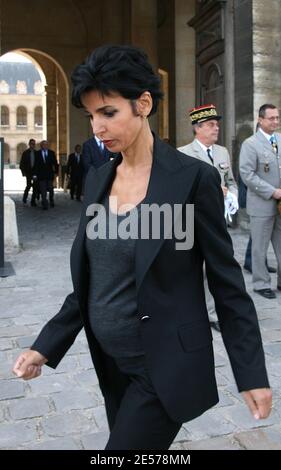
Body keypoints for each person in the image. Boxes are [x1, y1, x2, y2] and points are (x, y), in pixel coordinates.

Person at [13, 45, 272, 451]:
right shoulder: (98, 179)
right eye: (92, 115)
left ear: (143, 103)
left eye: (109, 112)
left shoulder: (192, 180)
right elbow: (93, 279)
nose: (97, 127)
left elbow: (227, 284)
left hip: (164, 366)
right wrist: (46, 344)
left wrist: (251, 373)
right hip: (112, 366)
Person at [178, 104, 239, 333]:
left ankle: (217, 312)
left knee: (219, 265)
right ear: (198, 128)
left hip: (219, 221)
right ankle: (200, 309)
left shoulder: (222, 152)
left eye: (217, 124)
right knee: (196, 268)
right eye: (211, 125)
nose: (216, 129)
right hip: (195, 221)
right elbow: (180, 191)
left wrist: (232, 195)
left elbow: (231, 181)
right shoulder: (184, 153)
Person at [239, 104, 281, 299]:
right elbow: (246, 174)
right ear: (260, 119)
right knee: (259, 248)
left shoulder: (280, 139)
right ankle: (261, 284)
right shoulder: (250, 144)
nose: (275, 121)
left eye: (277, 118)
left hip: (280, 206)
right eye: (271, 118)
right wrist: (272, 192)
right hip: (262, 203)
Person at [33, 140, 58, 210]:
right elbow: (36, 165)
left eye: (46, 145)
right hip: (41, 175)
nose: (45, 146)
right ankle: (44, 203)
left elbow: (55, 164)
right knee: (43, 190)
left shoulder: (51, 153)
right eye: (44, 145)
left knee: (51, 189)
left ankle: (51, 200)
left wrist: (56, 172)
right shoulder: (37, 153)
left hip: (50, 175)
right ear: (41, 146)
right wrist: (34, 174)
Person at [19, 138, 37, 206]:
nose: (33, 145)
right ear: (29, 144)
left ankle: (33, 201)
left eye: (34, 144)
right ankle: (25, 198)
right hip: (28, 172)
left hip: (35, 173)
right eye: (32, 144)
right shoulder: (25, 153)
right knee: (28, 186)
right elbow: (22, 163)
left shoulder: (36, 153)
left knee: (35, 187)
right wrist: (23, 172)